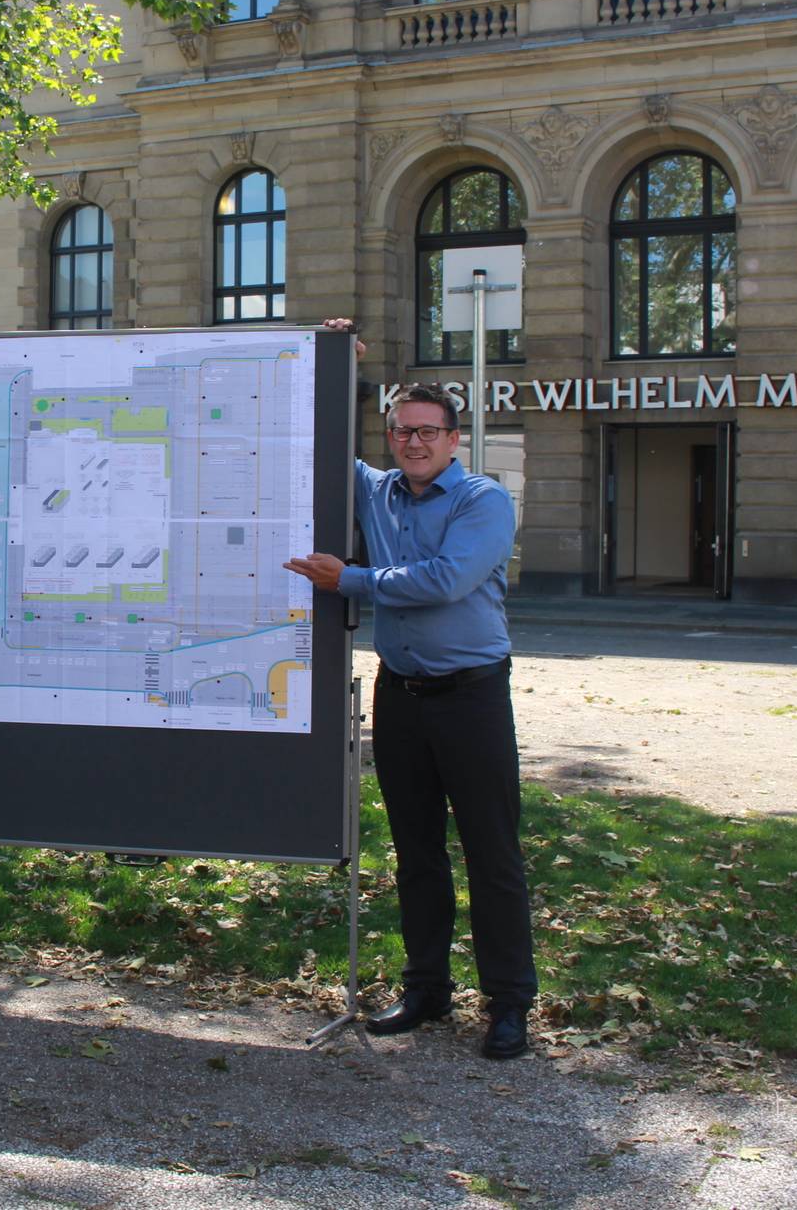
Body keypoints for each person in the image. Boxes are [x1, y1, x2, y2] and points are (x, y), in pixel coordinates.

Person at [285, 323, 537, 1059]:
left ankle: (509, 1003)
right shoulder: (377, 490)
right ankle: (427, 988)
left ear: (454, 440)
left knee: (492, 854)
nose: (414, 442)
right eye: (402, 430)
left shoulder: (484, 501)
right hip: (401, 698)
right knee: (416, 851)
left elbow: (445, 581)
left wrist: (350, 580)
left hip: (472, 699)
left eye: (429, 431)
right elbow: (316, 441)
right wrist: (343, 363)